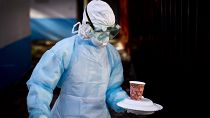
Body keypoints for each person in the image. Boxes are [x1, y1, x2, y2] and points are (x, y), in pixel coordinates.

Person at [26, 0, 130, 118]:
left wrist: (127, 103)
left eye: (110, 31)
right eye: (100, 31)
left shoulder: (111, 53)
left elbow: (113, 89)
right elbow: (41, 85)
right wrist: (40, 113)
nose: (106, 38)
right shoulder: (65, 49)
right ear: (87, 25)